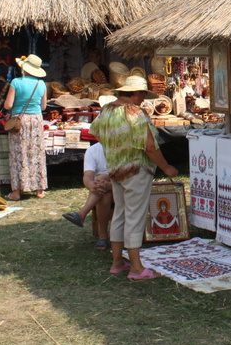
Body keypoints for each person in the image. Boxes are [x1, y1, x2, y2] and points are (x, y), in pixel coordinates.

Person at [90, 75, 178, 281]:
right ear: (135, 93)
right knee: (134, 217)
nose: (143, 99)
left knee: (120, 213)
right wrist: (166, 168)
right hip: (136, 170)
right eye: (142, 95)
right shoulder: (135, 113)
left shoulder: (107, 111)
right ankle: (136, 268)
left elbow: (95, 133)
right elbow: (149, 146)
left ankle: (117, 262)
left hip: (116, 169)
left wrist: (117, 145)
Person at [3, 54, 49, 200]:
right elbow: (43, 106)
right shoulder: (41, 84)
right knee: (37, 153)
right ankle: (39, 190)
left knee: (19, 154)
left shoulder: (16, 82)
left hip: (19, 121)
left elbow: (8, 105)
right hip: (36, 120)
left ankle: (16, 192)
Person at [62, 142, 114, 250]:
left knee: (103, 178)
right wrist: (92, 185)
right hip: (103, 191)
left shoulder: (123, 147)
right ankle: (103, 236)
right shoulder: (93, 150)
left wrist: (108, 184)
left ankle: (82, 215)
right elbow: (87, 177)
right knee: (103, 193)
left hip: (120, 187)